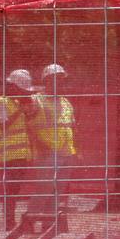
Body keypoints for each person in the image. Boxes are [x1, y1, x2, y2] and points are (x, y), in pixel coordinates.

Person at [32, 63, 77, 230]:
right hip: (47, 152)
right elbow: (29, 126)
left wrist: (75, 151)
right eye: (55, 79)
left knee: (57, 192)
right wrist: (40, 145)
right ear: (47, 81)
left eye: (61, 80)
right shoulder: (37, 100)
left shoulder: (66, 102)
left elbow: (72, 127)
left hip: (66, 153)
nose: (60, 83)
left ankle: (48, 224)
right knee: (43, 190)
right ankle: (29, 223)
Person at [0, 69, 37, 229]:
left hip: (20, 154)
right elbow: (3, 125)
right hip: (9, 154)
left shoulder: (16, 103)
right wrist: (20, 111)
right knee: (10, 189)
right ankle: (8, 222)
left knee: (15, 188)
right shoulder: (3, 101)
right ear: (13, 87)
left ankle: (10, 221)